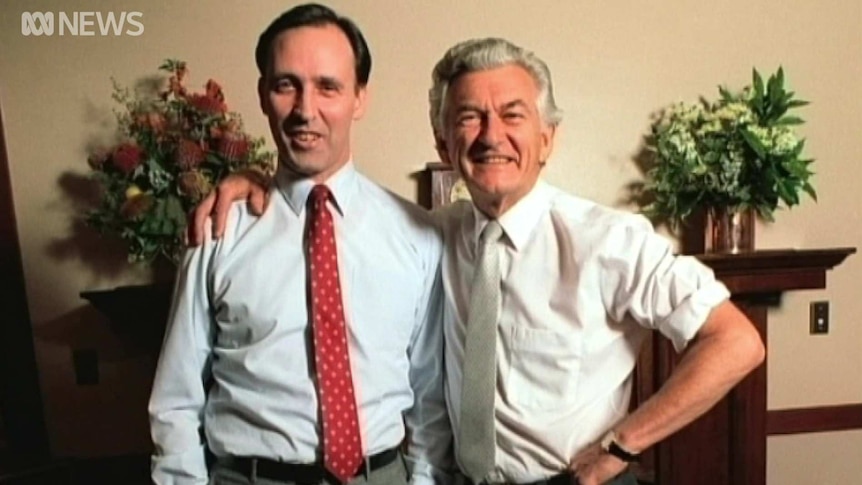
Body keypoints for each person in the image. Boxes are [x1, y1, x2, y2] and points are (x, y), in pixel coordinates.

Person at [192, 38, 765, 485]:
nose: (492, 136)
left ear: (547, 138)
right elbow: (333, 215)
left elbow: (737, 342)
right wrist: (255, 183)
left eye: (513, 115)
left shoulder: (609, 241)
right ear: (444, 145)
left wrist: (621, 446)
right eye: (469, 117)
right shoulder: (427, 236)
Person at [149, 4, 451, 485]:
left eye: (328, 86)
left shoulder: (418, 235)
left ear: (359, 98)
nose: (305, 109)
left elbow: (429, 391)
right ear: (264, 97)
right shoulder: (219, 229)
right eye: (286, 84)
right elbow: (176, 400)